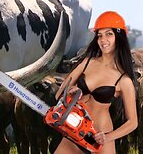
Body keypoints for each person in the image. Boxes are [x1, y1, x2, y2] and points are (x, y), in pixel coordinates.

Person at [54, 11, 138, 154]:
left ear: (119, 36)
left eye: (109, 34)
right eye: (99, 35)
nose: (103, 39)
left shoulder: (124, 80)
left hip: (101, 138)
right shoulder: (86, 63)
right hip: (74, 132)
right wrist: (69, 94)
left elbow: (133, 122)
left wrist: (107, 137)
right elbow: (58, 95)